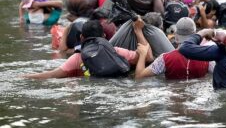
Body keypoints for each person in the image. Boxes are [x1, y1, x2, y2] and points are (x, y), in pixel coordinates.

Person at [23, 19, 153, 79]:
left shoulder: (76, 58)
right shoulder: (117, 51)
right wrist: (138, 31)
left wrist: (25, 76)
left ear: (81, 37)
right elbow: (148, 58)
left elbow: (51, 75)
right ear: (104, 37)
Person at [135, 17, 226, 80]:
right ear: (196, 36)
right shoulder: (208, 59)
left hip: (174, 103)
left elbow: (139, 76)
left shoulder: (164, 58)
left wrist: (143, 54)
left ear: (176, 36)